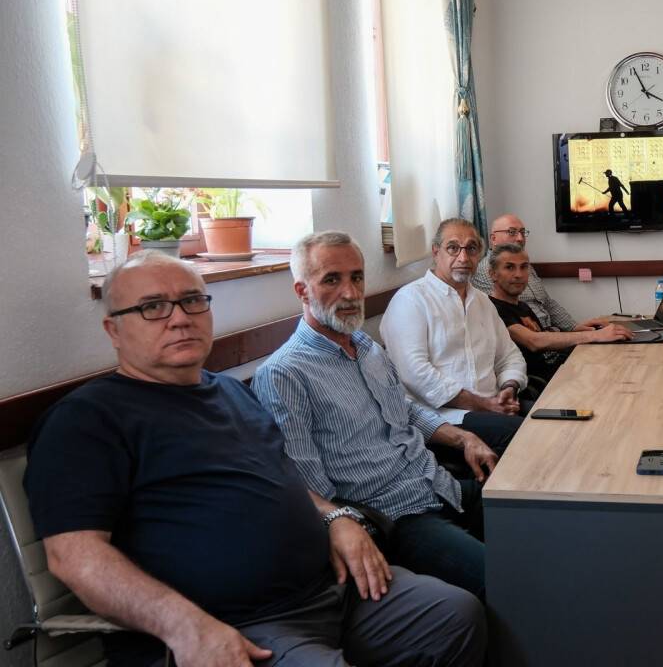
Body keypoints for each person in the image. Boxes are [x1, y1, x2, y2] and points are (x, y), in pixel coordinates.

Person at [24, 251, 485, 666]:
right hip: (235, 623)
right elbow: (74, 556)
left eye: (192, 301)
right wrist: (184, 625)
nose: (179, 318)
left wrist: (336, 517)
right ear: (114, 330)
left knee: (456, 615)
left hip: (333, 589)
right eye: (152, 307)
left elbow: (286, 481)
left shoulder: (226, 391)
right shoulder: (87, 420)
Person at [254, 231, 502, 598]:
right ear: (302, 291)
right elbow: (302, 482)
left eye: (356, 277)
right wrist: (341, 524)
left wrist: (463, 438)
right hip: (397, 519)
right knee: (507, 579)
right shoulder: (284, 374)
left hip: (437, 484)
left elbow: (405, 411)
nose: (351, 293)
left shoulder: (367, 347)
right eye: (331, 280)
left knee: (543, 523)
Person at [382, 218, 528, 430]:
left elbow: (509, 356)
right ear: (435, 251)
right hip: (446, 418)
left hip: (495, 404)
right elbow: (415, 373)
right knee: (531, 437)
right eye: (453, 248)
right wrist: (483, 405)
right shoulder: (410, 300)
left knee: (553, 416)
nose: (463, 257)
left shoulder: (483, 302)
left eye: (471, 248)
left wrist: (509, 386)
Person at [486, 243, 633, 383]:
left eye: (524, 267)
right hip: (541, 384)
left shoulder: (522, 306)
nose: (518, 274)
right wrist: (595, 335)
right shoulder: (491, 308)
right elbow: (534, 342)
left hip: (558, 369)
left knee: (622, 364)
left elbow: (546, 340)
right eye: (509, 267)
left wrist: (578, 329)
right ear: (493, 274)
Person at [471, 212, 612, 333]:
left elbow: (548, 303)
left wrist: (575, 327)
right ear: (493, 239)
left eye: (522, 232)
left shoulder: (526, 265)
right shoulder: (486, 270)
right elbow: (512, 322)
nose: (520, 238)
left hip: (551, 334)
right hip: (536, 342)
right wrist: (578, 337)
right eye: (512, 232)